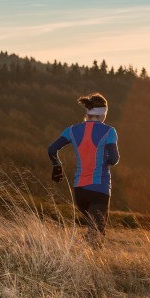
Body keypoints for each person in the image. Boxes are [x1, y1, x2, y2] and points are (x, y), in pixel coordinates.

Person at [47, 93, 120, 247]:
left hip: (80, 190)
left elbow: (52, 149)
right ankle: (91, 265)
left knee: (92, 231)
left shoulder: (72, 130)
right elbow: (114, 159)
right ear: (103, 114)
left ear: (87, 113)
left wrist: (57, 166)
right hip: (100, 189)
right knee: (97, 234)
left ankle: (79, 257)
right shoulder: (109, 131)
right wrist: (103, 159)